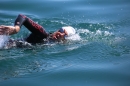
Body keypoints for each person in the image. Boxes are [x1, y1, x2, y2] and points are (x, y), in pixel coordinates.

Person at [0, 14, 76, 47]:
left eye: (65, 35)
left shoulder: (50, 44)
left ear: (65, 41)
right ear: (58, 29)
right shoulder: (43, 34)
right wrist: (16, 29)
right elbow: (23, 17)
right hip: (5, 45)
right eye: (62, 30)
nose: (61, 34)